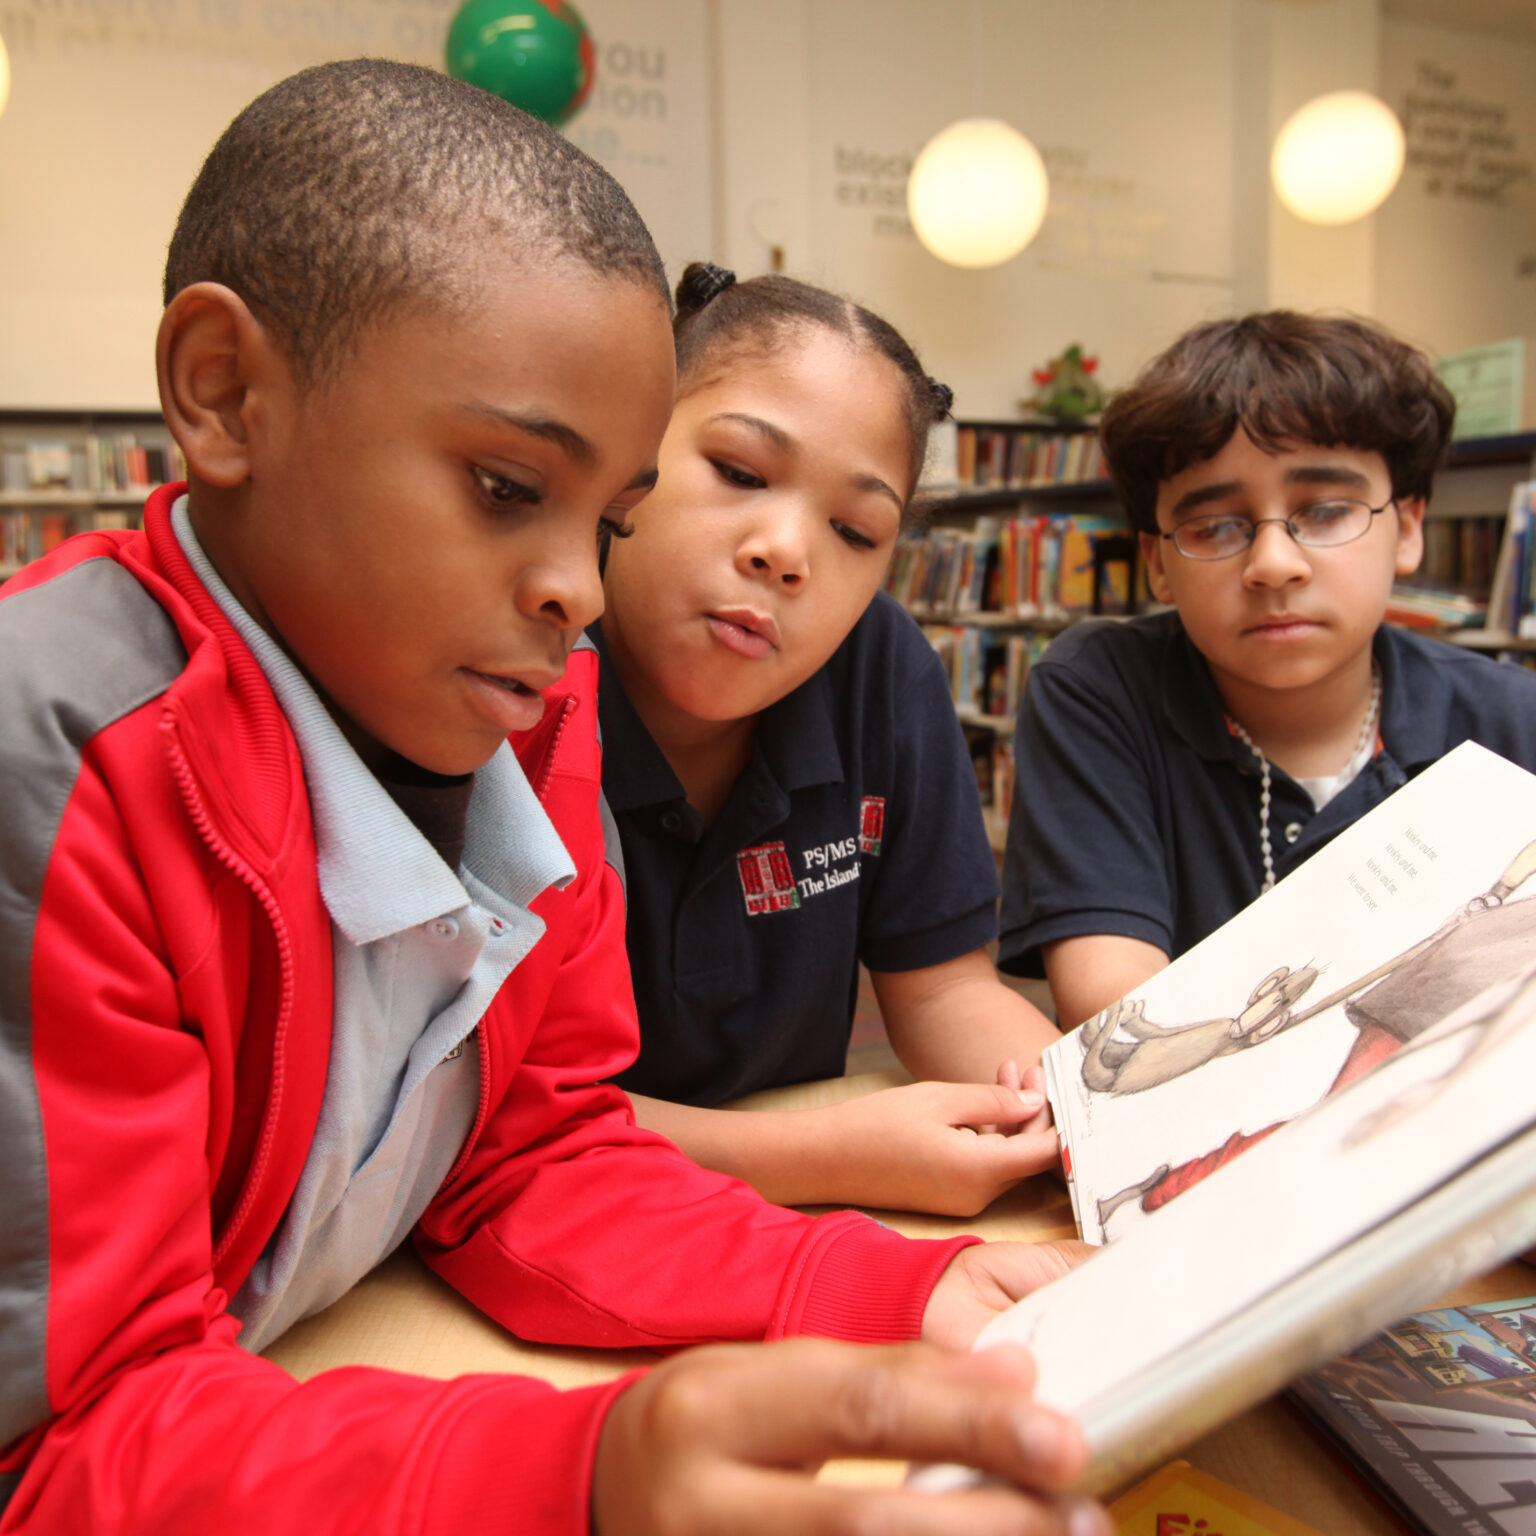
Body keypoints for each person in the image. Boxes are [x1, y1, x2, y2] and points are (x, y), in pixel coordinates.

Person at [0, 61, 1112, 1536]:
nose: (578, 591)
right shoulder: (60, 756)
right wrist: (574, 1478)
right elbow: (60, 1437)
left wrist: (895, 1284)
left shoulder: (532, 714)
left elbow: (527, 1152)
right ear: (224, 394)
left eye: (611, 521)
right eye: (510, 488)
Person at [593, 263, 1063, 1217]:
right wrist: (819, 1157)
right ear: (631, 450)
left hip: (782, 1225)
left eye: (855, 531)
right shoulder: (518, 654)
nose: (786, 552)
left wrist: (1085, 1111)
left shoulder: (884, 673)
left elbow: (940, 995)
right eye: (738, 472)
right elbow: (480, 1112)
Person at [998, 310, 1536, 1031]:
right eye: (1216, 526)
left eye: (1325, 510)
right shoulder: (1098, 690)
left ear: (1407, 529)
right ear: (1157, 561)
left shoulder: (1512, 719)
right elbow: (1118, 1017)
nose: (1274, 563)